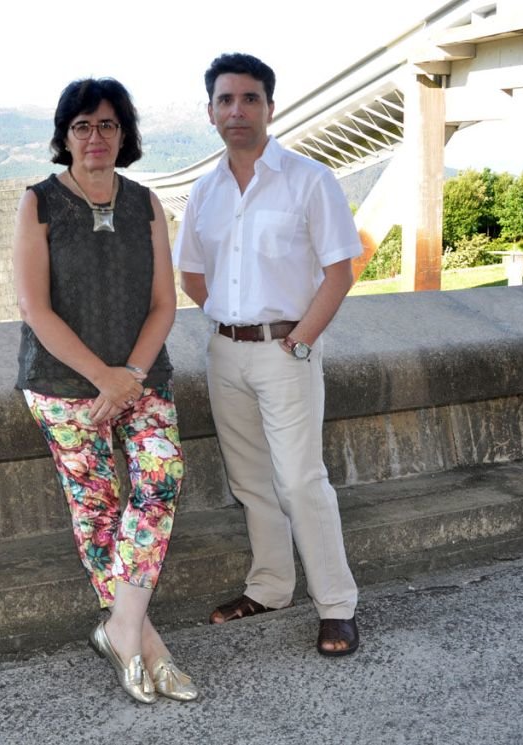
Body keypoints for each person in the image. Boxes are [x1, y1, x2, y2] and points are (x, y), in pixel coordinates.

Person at [13, 77, 197, 702]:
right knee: (97, 512)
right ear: (65, 137)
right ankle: (147, 644)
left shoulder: (146, 203)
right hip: (65, 385)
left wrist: (130, 379)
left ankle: (120, 628)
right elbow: (36, 310)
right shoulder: (38, 202)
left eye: (108, 125)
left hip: (142, 376)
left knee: (162, 476)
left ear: (126, 135)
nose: (96, 137)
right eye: (83, 126)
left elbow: (164, 304)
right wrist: (104, 379)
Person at [173, 53, 361, 656]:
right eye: (225, 100)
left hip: (288, 350)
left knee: (302, 480)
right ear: (210, 112)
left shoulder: (310, 179)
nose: (237, 110)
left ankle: (336, 606)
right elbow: (192, 275)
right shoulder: (204, 191)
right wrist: (227, 324)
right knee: (251, 482)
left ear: (269, 108)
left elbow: (341, 271)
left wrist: (300, 338)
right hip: (226, 354)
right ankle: (272, 587)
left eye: (249, 98)